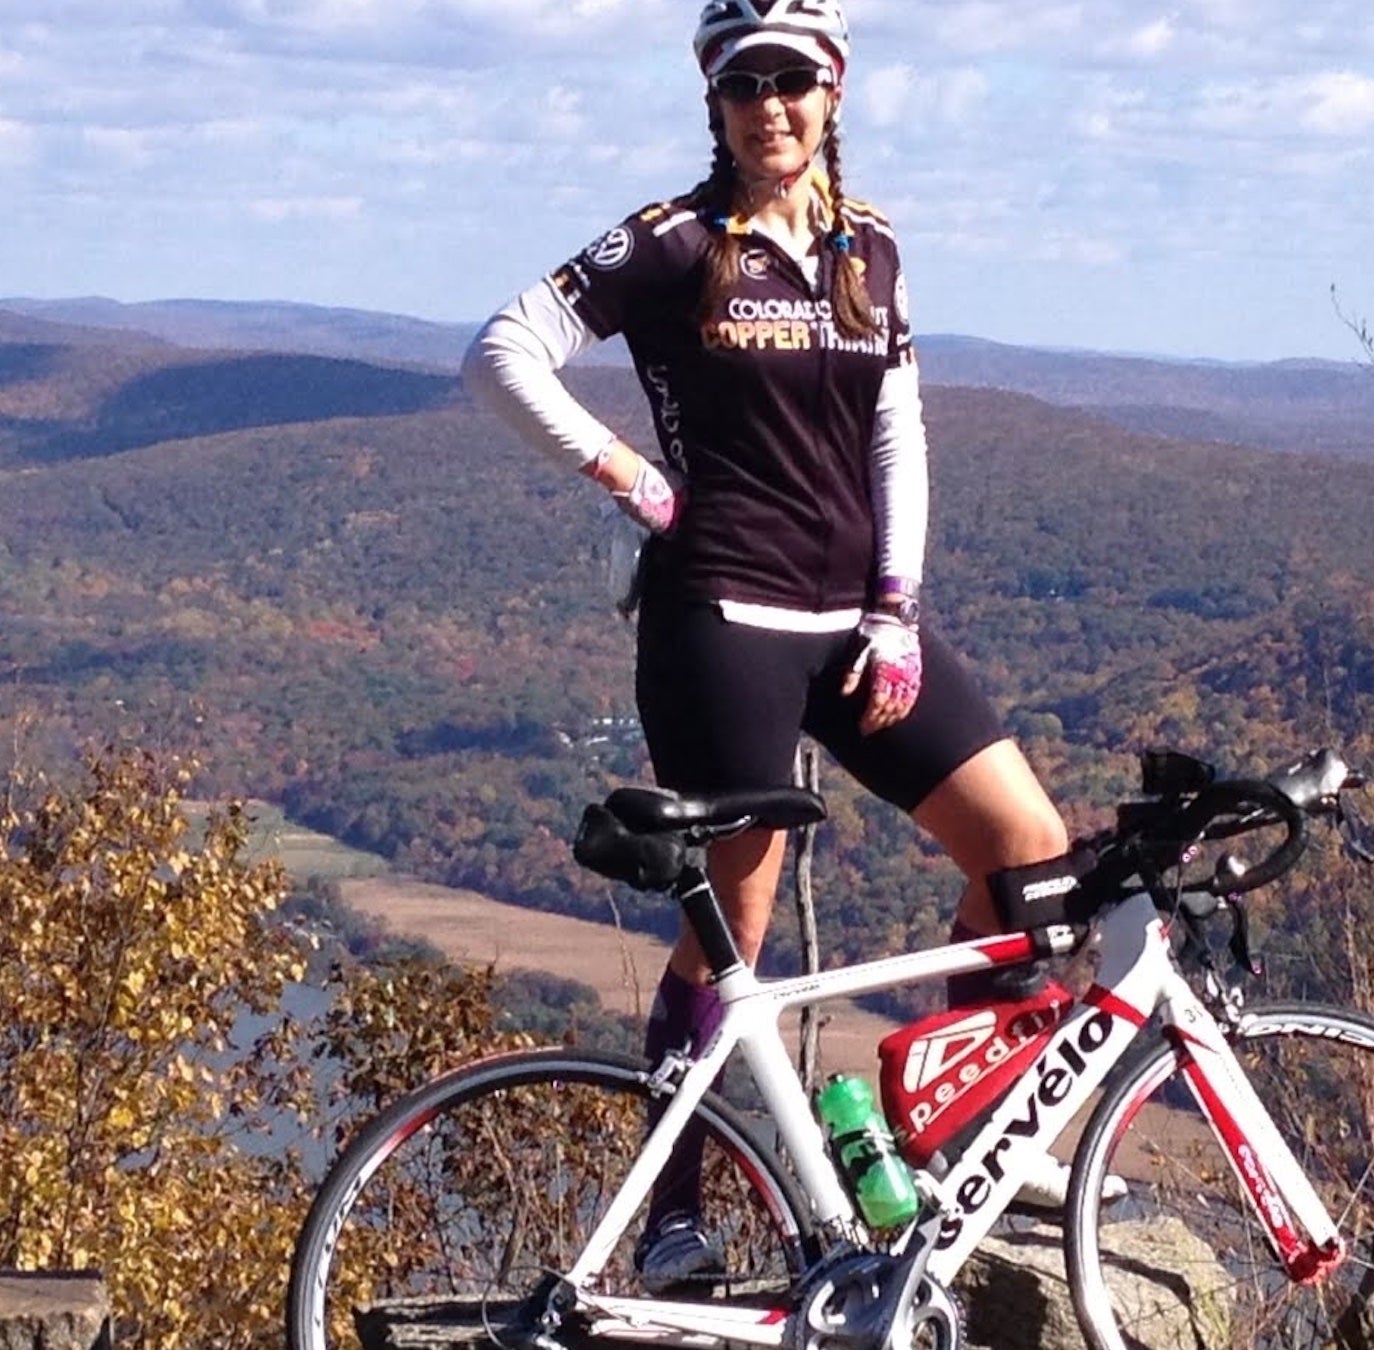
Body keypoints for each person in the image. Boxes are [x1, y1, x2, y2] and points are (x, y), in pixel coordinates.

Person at [463, 0, 1094, 1292]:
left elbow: (894, 434)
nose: (770, 106)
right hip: (724, 625)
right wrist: (630, 476)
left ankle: (949, 1126)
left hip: (858, 630)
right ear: (714, 98)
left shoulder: (872, 252)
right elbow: (502, 350)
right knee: (732, 936)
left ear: (836, 89)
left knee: (1031, 858)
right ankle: (675, 1218)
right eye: (744, 82)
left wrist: (898, 601)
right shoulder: (675, 241)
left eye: (792, 80)